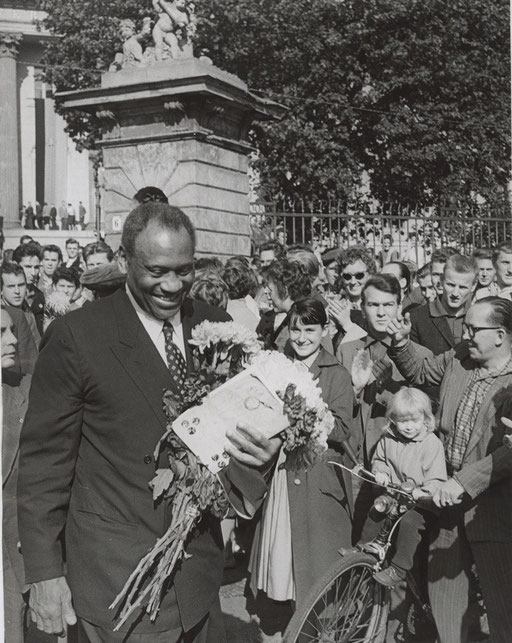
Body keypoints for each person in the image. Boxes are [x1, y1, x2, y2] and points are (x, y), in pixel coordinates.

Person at [17, 202, 281, 642]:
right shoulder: (78, 337)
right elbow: (45, 465)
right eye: (157, 270)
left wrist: (261, 457)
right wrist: (44, 574)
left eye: (185, 269)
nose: (173, 285)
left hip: (198, 578)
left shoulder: (218, 327)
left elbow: (235, 443)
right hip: (117, 583)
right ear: (124, 261)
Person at [387, 297, 512, 643]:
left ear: (500, 335)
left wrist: (463, 483)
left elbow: (510, 452)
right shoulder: (460, 357)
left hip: (495, 509)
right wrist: (400, 342)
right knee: (447, 609)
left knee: (505, 614)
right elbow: (421, 371)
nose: (465, 333)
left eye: (474, 328)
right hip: (445, 500)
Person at [249, 297, 356, 605]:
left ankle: (317, 615)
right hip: (283, 466)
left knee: (316, 551)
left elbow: (342, 429)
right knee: (285, 540)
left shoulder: (336, 373)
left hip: (315, 469)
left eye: (310, 330)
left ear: (325, 330)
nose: (302, 338)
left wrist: (305, 413)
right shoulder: (278, 366)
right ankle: (293, 610)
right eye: (295, 330)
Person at [365, 388, 447, 587]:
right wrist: (381, 472)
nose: (408, 427)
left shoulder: (431, 444)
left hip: (421, 504)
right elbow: (379, 460)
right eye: (403, 421)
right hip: (396, 495)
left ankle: (399, 569)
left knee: (410, 522)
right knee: (379, 506)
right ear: (393, 419)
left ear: (425, 419)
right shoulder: (389, 439)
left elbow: (437, 479)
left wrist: (424, 491)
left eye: (414, 421)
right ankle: (364, 548)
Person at [2, 307, 32, 642]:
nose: (12, 340)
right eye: (1, 333)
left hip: (9, 552)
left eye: (11, 330)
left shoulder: (25, 391)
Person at [409, 254, 477, 356]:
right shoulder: (416, 318)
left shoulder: (480, 316)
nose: (455, 293)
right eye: (450, 285)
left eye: (462, 287)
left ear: (473, 286)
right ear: (441, 281)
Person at [257, 259, 311, 352]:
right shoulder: (293, 318)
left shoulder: (298, 324)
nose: (266, 292)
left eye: (270, 289)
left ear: (285, 291)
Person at [12, 242, 45, 336]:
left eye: (37, 267)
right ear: (15, 265)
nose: (33, 273)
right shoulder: (7, 294)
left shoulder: (40, 295)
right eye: (28, 267)